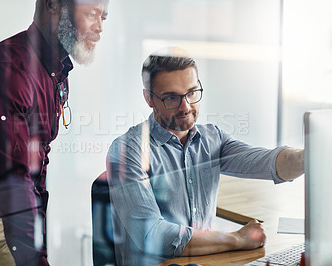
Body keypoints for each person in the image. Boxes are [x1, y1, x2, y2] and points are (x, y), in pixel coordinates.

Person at [0, 0, 109, 265]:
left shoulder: (56, 68)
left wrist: (38, 238)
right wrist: (35, 256)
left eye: (103, 18)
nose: (99, 28)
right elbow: (13, 180)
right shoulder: (9, 71)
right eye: (92, 14)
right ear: (52, 5)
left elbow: (37, 161)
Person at [106, 47, 304, 266]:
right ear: (148, 98)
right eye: (172, 97)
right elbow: (152, 235)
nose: (186, 106)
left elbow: (267, 163)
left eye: (192, 92)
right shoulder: (127, 150)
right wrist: (236, 239)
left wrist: (309, 157)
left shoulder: (212, 138)